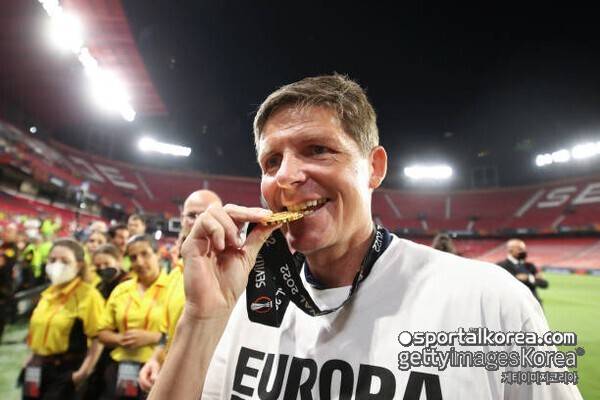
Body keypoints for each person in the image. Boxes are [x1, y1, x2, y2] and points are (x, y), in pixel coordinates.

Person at [149, 75, 582, 399]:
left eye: (318, 149)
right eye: (271, 161)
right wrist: (201, 318)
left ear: (374, 168)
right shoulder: (243, 304)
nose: (286, 176)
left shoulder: (491, 301)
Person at [138, 190, 222, 392]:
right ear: (182, 220)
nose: (198, 221)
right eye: (192, 215)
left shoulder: (234, 275)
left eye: (206, 214)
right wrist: (155, 360)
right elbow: (167, 334)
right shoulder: (175, 275)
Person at [21, 238, 104, 399]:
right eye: (52, 260)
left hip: (64, 370)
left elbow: (97, 338)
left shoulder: (89, 296)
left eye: (65, 261)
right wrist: (31, 358)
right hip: (37, 368)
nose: (57, 265)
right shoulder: (48, 294)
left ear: (79, 265)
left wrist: (83, 372)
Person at [97, 235, 169, 400]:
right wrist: (120, 339)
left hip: (157, 371)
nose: (140, 262)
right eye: (133, 257)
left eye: (145, 254)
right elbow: (102, 333)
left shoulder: (175, 288)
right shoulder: (121, 290)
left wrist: (153, 337)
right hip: (118, 369)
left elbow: (184, 335)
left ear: (158, 254)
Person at [82, 243, 131, 400]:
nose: (102, 268)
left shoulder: (129, 285)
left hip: (121, 348)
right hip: (100, 347)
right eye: (98, 266)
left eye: (106, 264)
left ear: (118, 261)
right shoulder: (99, 286)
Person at [497, 239, 549, 304]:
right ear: (510, 250)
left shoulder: (530, 266)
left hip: (533, 303)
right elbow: (509, 284)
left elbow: (544, 284)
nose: (523, 251)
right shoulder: (501, 266)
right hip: (513, 304)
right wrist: (534, 278)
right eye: (520, 249)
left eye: (524, 249)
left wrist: (528, 278)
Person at [0, 223, 19, 341]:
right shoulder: (3, 246)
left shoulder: (12, 249)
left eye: (9, 232)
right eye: (5, 231)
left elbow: (2, 264)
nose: (6, 233)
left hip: (4, 288)